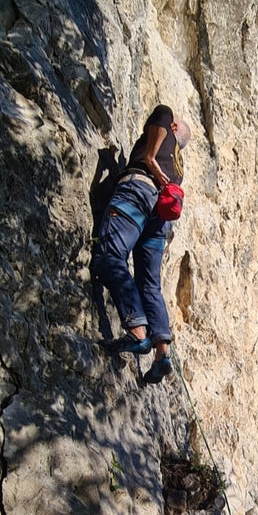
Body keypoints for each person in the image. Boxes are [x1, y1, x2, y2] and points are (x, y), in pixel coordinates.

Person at [92, 105, 191, 384]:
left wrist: (147, 154)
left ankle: (137, 332)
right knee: (149, 283)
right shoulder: (178, 165)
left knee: (109, 256)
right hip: (160, 218)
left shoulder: (165, 127)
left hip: (138, 191)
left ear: (173, 130)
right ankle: (163, 353)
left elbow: (162, 115)